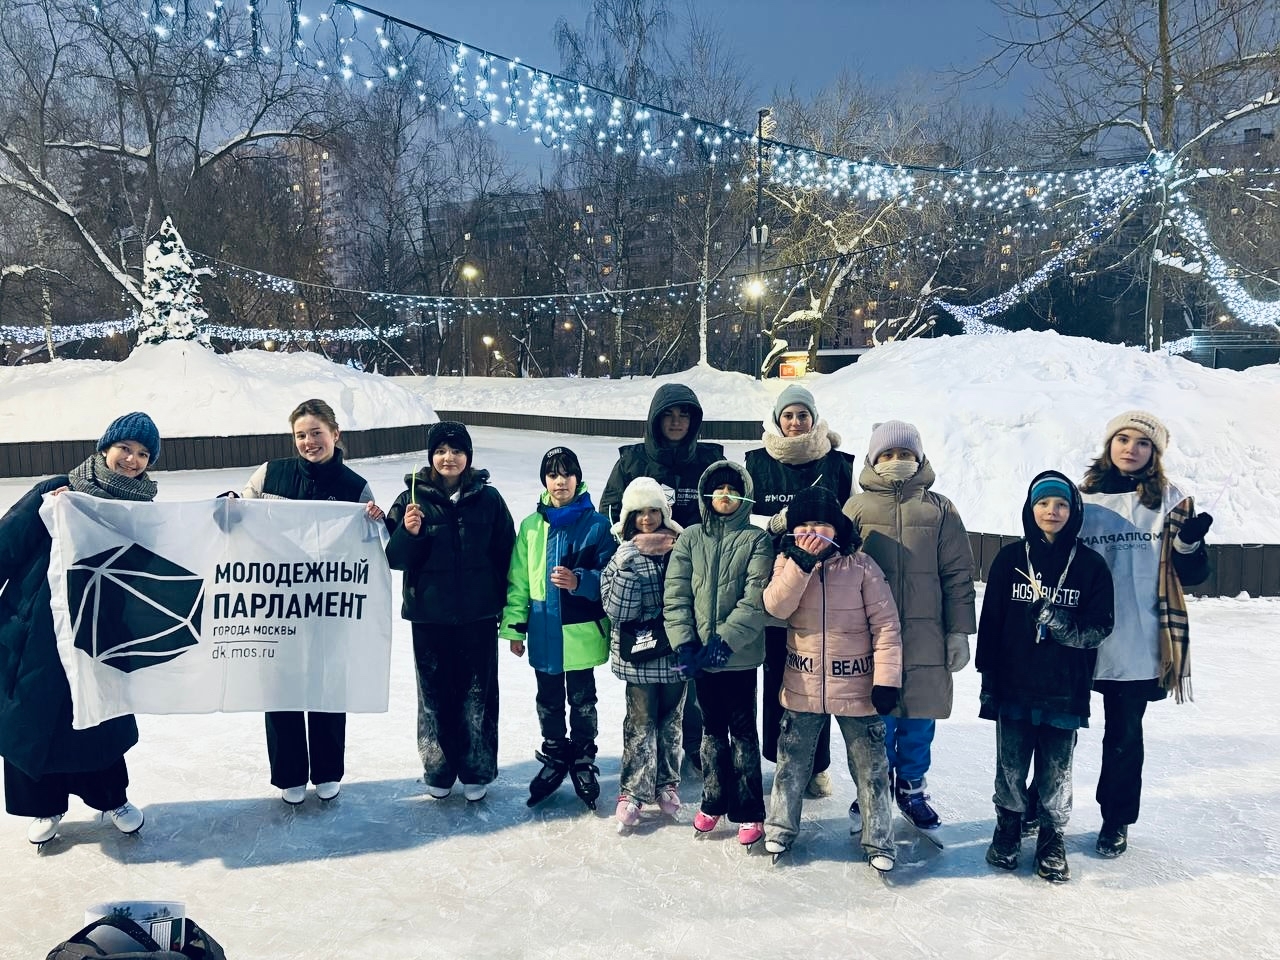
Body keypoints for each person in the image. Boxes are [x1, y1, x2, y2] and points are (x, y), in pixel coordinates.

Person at [0, 412, 160, 845]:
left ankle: (111, 798)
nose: (132, 459)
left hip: (98, 631)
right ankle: (44, 805)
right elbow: (6, 545)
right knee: (36, 717)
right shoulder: (57, 491)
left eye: (143, 453)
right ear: (106, 447)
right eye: (125, 447)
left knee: (98, 715)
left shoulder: (140, 512)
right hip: (36, 628)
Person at [1077, 411, 1211, 858]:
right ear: (1109, 444)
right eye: (1123, 439)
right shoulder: (1081, 498)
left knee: (1123, 736)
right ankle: (1042, 806)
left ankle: (1115, 820)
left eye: (1142, 443)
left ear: (1155, 453)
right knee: (1056, 728)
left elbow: (1192, 575)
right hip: (1080, 635)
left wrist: (1189, 545)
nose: (1131, 449)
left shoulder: (1171, 501)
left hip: (1139, 638)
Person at [241, 399, 386, 805]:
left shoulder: (355, 487)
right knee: (281, 686)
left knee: (327, 682)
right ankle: (289, 773)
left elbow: (370, 548)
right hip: (277, 603)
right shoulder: (270, 473)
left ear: (335, 434)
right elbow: (239, 514)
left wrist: (378, 523)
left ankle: (326, 770)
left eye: (316, 433)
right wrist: (228, 503)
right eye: (301, 435)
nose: (309, 441)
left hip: (328, 605)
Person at [976, 472, 1114, 883]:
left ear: (1073, 511)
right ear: (1030, 508)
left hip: (1064, 689)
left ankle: (1052, 837)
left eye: (1061, 504)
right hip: (1013, 685)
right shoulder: (1009, 559)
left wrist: (1057, 621)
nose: (1051, 511)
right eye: (1043, 503)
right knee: (1010, 766)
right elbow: (991, 624)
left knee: (1057, 770)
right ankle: (1008, 827)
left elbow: (1099, 629)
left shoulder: (1090, 565)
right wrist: (988, 682)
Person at [842, 420, 976, 830]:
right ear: (873, 460)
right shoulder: (856, 509)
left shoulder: (940, 509)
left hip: (926, 637)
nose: (896, 460)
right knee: (875, 720)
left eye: (905, 454)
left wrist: (958, 631)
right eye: (887, 454)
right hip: (871, 637)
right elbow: (839, 572)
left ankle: (912, 788)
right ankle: (874, 786)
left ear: (919, 458)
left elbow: (958, 574)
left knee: (919, 717)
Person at [762, 488, 902, 873]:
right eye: (804, 524)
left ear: (837, 527)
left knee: (871, 768)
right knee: (791, 765)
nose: (813, 531)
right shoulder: (787, 561)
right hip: (803, 685)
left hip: (858, 688)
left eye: (821, 523)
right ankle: (780, 828)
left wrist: (887, 680)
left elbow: (886, 626)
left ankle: (879, 840)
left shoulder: (861, 566)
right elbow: (776, 607)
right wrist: (800, 564)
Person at [385, 421, 515, 802]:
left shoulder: (489, 500)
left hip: (478, 615)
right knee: (434, 698)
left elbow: (507, 554)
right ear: (431, 457)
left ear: (468, 457)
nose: (449, 458)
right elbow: (393, 558)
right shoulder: (410, 499)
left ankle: (476, 770)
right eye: (441, 451)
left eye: (457, 451)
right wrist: (408, 533)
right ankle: (438, 770)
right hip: (429, 616)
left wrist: (507, 607)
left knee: (477, 696)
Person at [600, 383, 724, 768]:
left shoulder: (709, 461)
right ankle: (646, 755)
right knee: (647, 672)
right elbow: (611, 513)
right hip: (644, 586)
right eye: (668, 414)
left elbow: (724, 511)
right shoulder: (631, 462)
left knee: (692, 671)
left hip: (694, 583)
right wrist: (635, 547)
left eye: (684, 414)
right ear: (654, 420)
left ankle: (693, 745)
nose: (676, 421)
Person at [746, 384, 855, 800]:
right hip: (776, 587)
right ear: (778, 419)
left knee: (817, 679)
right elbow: (744, 522)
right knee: (778, 676)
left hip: (825, 592)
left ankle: (817, 764)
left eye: (803, 415)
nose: (795, 422)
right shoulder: (756, 463)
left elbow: (850, 526)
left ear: (813, 418)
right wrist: (775, 525)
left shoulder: (838, 465)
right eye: (788, 415)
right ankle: (782, 760)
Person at [500, 447, 615, 810]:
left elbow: (611, 576)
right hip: (544, 632)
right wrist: (515, 628)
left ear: (578, 478)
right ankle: (554, 754)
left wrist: (580, 581)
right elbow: (519, 582)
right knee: (548, 700)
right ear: (544, 481)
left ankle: (582, 756)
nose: (560, 481)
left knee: (583, 700)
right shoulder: (530, 527)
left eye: (567, 474)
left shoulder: (597, 525)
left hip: (581, 634)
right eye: (552, 475)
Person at [664, 461, 773, 846]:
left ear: (744, 495)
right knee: (711, 731)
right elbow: (675, 595)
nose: (725, 494)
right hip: (700, 657)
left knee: (742, 731)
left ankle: (749, 809)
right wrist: (685, 644)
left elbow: (755, 600)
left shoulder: (757, 540)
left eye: (733, 488)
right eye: (718, 488)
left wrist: (723, 642)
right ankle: (713, 799)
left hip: (738, 656)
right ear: (705, 494)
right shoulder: (690, 538)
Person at [600, 477, 686, 829]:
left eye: (653, 511)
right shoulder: (622, 554)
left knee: (671, 722)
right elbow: (618, 611)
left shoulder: (680, 549)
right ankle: (633, 791)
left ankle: (666, 783)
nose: (647, 519)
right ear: (629, 516)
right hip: (640, 654)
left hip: (676, 652)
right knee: (640, 722)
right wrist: (625, 567)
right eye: (639, 512)